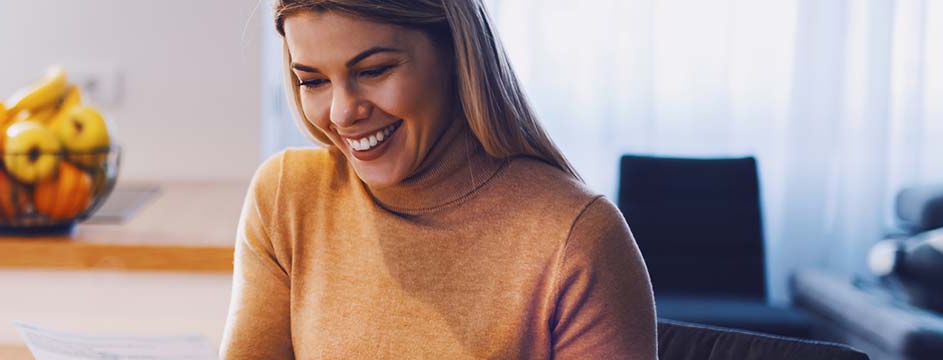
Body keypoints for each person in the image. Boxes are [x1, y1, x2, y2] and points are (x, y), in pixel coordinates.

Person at [220, 0, 657, 358]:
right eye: (312, 81)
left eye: (373, 71)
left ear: (455, 52)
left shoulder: (575, 237)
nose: (341, 113)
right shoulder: (286, 196)